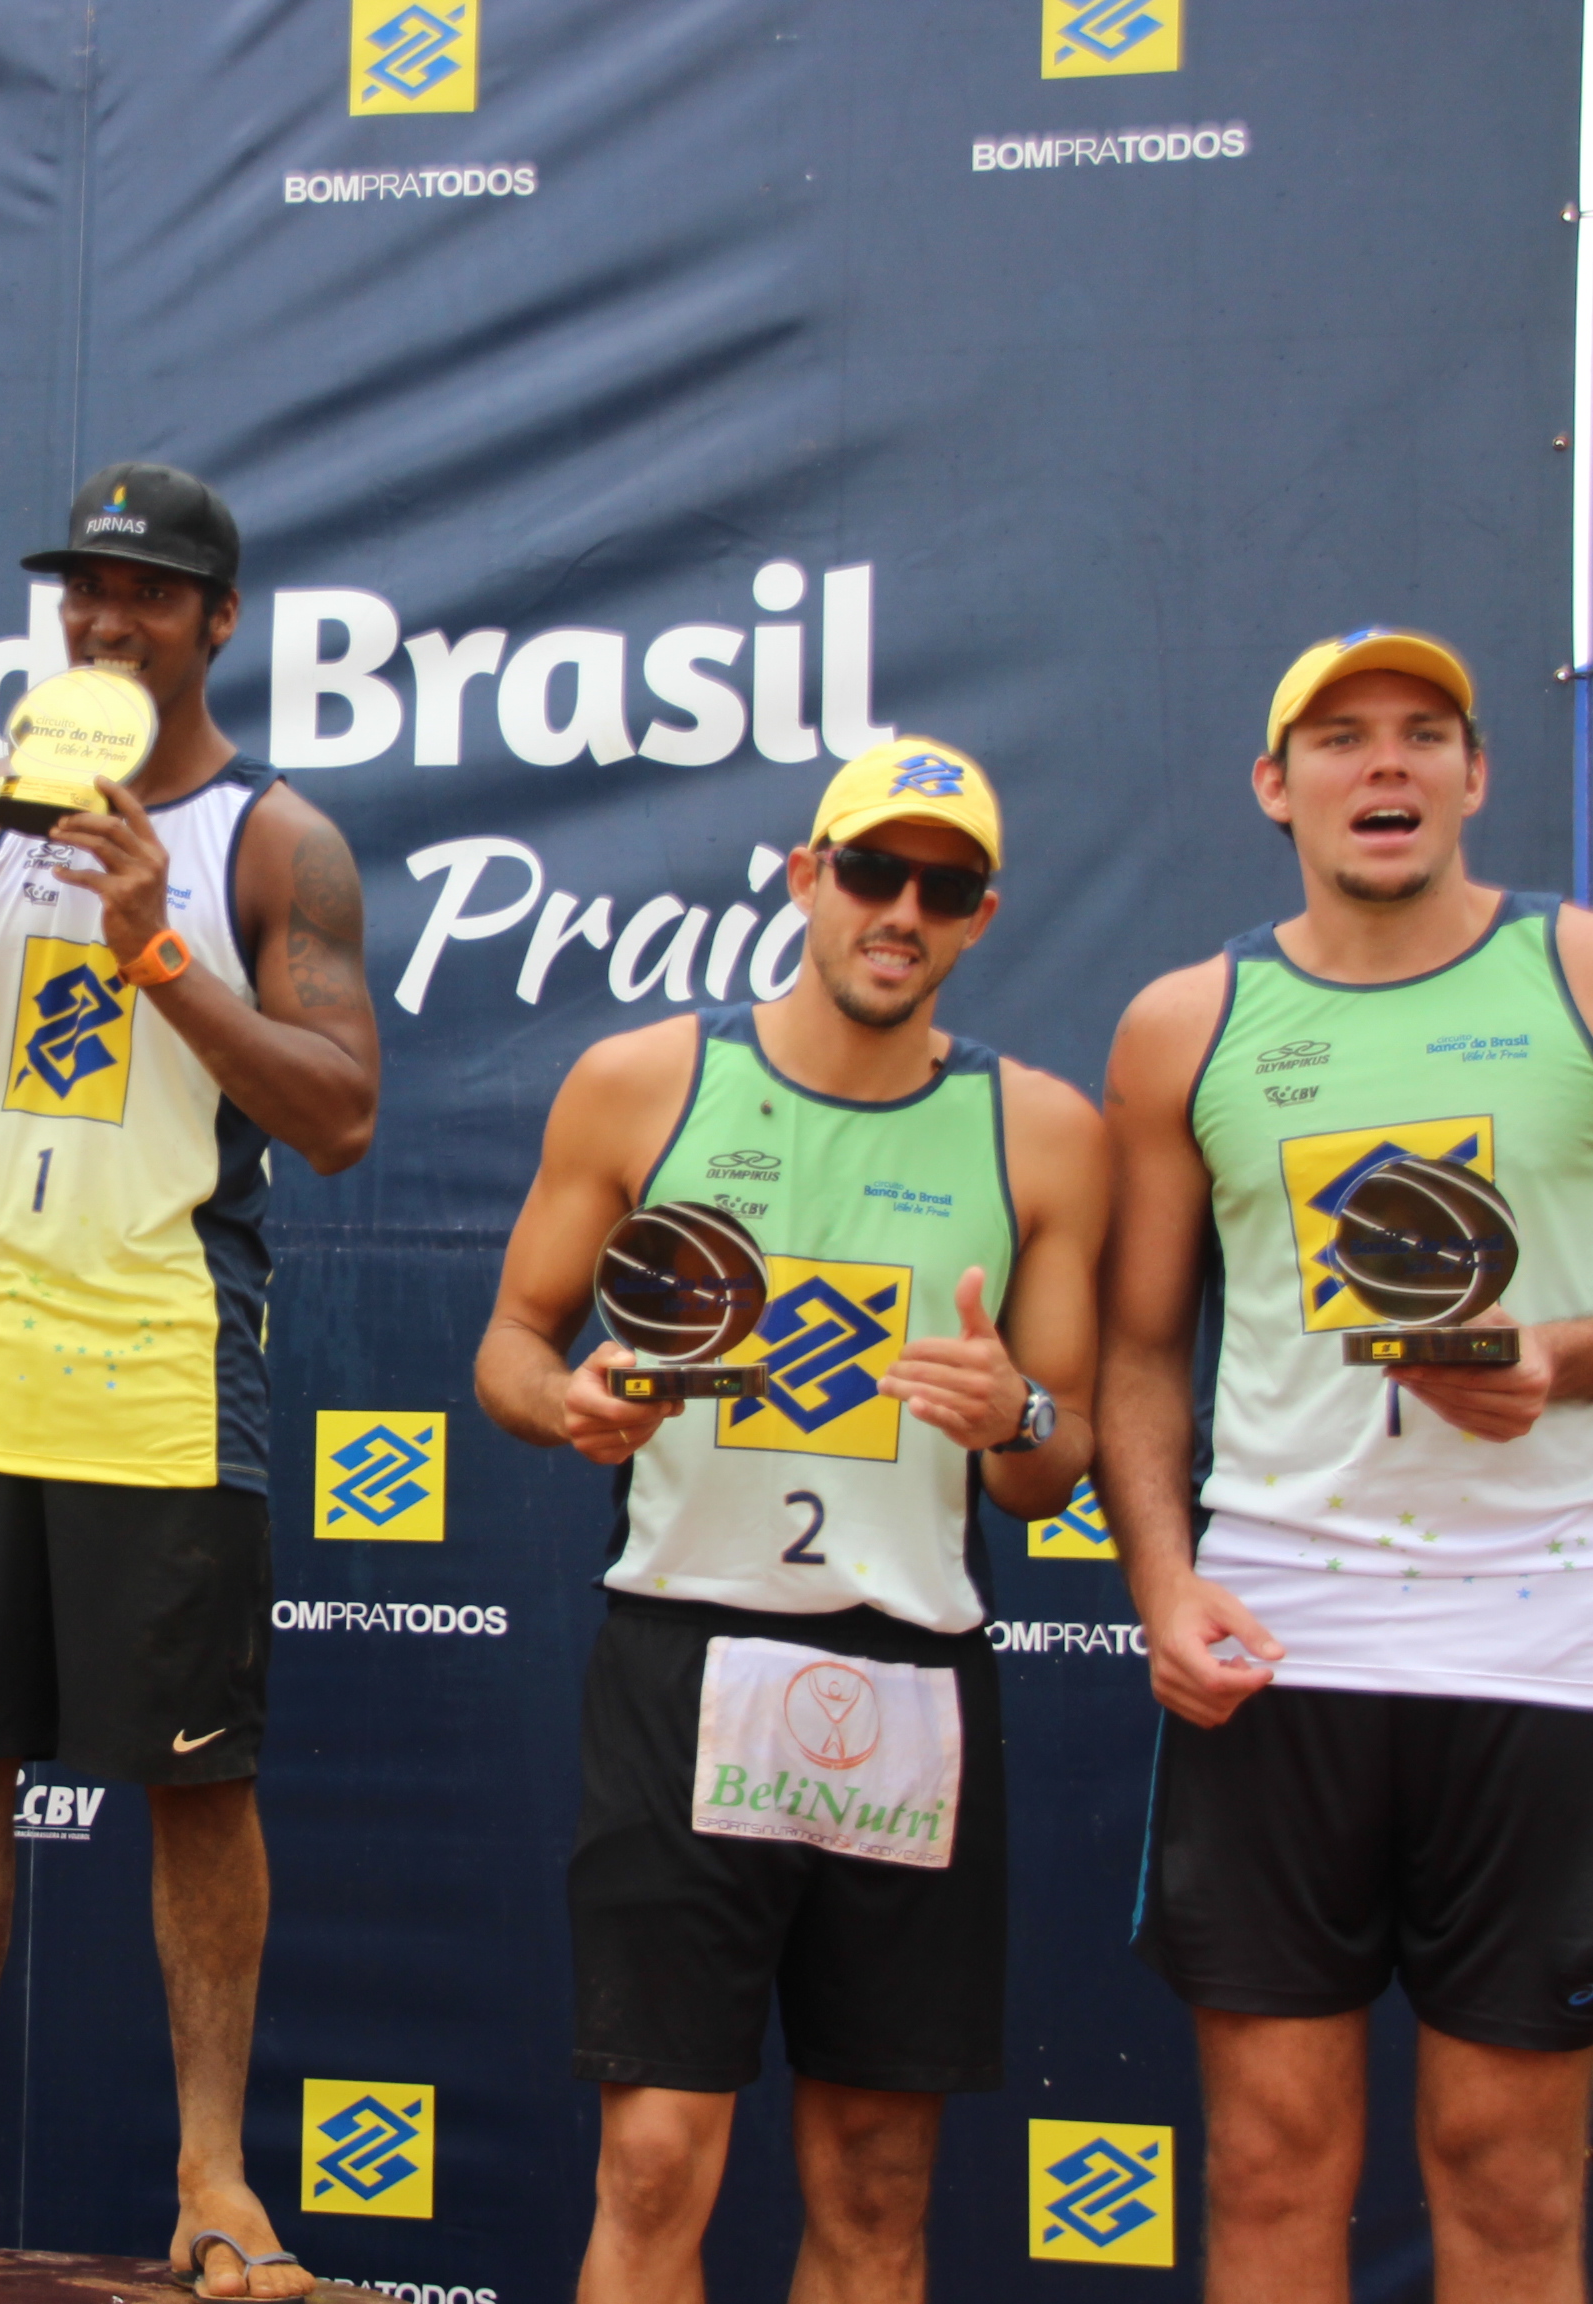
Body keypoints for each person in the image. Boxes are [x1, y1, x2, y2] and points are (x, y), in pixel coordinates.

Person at [0, 463, 378, 2300]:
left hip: (159, 1357)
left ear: (215, 619)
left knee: (195, 1779)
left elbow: (339, 1109)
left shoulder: (277, 837)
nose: (106, 616)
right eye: (83, 588)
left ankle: (215, 2175)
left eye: (145, 590)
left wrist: (158, 948)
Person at [472, 739, 1107, 2304]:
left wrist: (1012, 1410)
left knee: (882, 2183)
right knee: (656, 2159)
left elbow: (1057, 1459)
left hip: (915, 1676)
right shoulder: (647, 1081)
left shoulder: (1044, 1131)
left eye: (941, 887)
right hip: (688, 1656)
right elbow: (508, 1343)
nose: (903, 909)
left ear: (979, 918)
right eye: (874, 872)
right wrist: (572, 1404)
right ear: (805, 877)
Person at [1099, 630, 1593, 2302]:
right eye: (1339, 739)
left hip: (1542, 1637)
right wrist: (1161, 1582)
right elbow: (1142, 1348)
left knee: (1511, 2173)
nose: (1382, 766)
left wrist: (1560, 1359)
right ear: (1274, 785)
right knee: (1267, 2164)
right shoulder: (1189, 1021)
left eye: (1422, 734)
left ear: (1476, 775)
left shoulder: (1580, 970)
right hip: (1280, 1634)